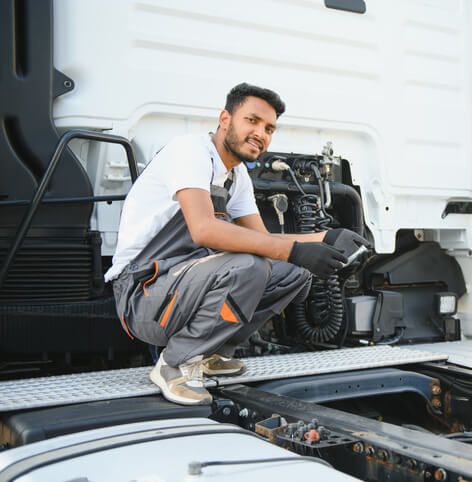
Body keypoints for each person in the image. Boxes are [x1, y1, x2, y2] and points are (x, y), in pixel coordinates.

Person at [106, 83, 369, 405]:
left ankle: (209, 352)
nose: (261, 133)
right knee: (249, 265)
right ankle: (174, 364)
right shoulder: (189, 151)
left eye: (269, 128)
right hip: (142, 292)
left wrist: (327, 237)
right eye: (252, 121)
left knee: (292, 271)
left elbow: (264, 240)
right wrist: (296, 249)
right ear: (225, 119)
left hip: (184, 283)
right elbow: (203, 230)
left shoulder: (236, 175)